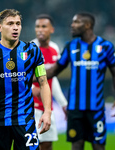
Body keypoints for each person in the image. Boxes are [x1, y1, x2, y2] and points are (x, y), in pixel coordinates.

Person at [0, 9, 52, 150]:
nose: (15, 27)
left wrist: (47, 112)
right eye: (10, 23)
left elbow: (43, 83)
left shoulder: (32, 51)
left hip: (25, 120)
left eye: (18, 24)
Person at [45, 12, 115, 150]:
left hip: (96, 109)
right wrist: (29, 76)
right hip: (75, 109)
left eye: (76, 22)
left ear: (88, 25)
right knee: (76, 146)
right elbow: (54, 71)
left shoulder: (105, 46)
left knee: (98, 146)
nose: (72, 25)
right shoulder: (71, 46)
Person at [31, 14, 67, 150]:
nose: (40, 30)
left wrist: (63, 103)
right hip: (31, 106)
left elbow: (53, 78)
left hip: (47, 107)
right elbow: (20, 76)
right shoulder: (29, 49)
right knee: (31, 145)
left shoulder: (55, 49)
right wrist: (30, 89)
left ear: (52, 29)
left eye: (44, 26)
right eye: (37, 27)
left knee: (47, 145)